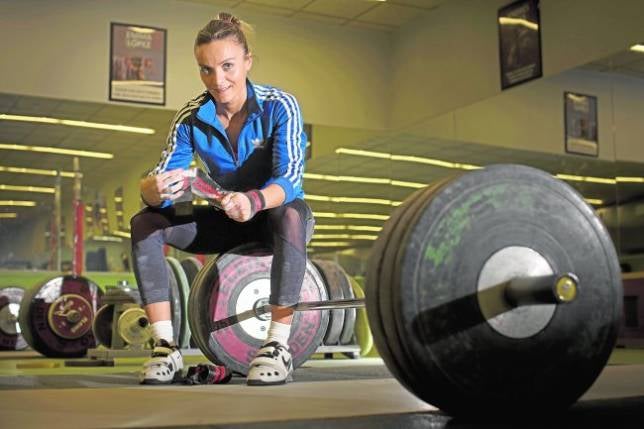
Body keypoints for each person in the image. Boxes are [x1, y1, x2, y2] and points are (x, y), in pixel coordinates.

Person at [130, 12, 313, 386]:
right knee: (145, 222)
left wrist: (255, 201)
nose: (218, 80)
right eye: (206, 70)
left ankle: (278, 346)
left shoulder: (281, 105)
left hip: (275, 216)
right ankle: (165, 347)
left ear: (247, 61)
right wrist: (153, 188)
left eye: (227, 66)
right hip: (227, 219)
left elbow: (291, 178)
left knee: (289, 215)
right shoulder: (191, 118)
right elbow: (163, 183)